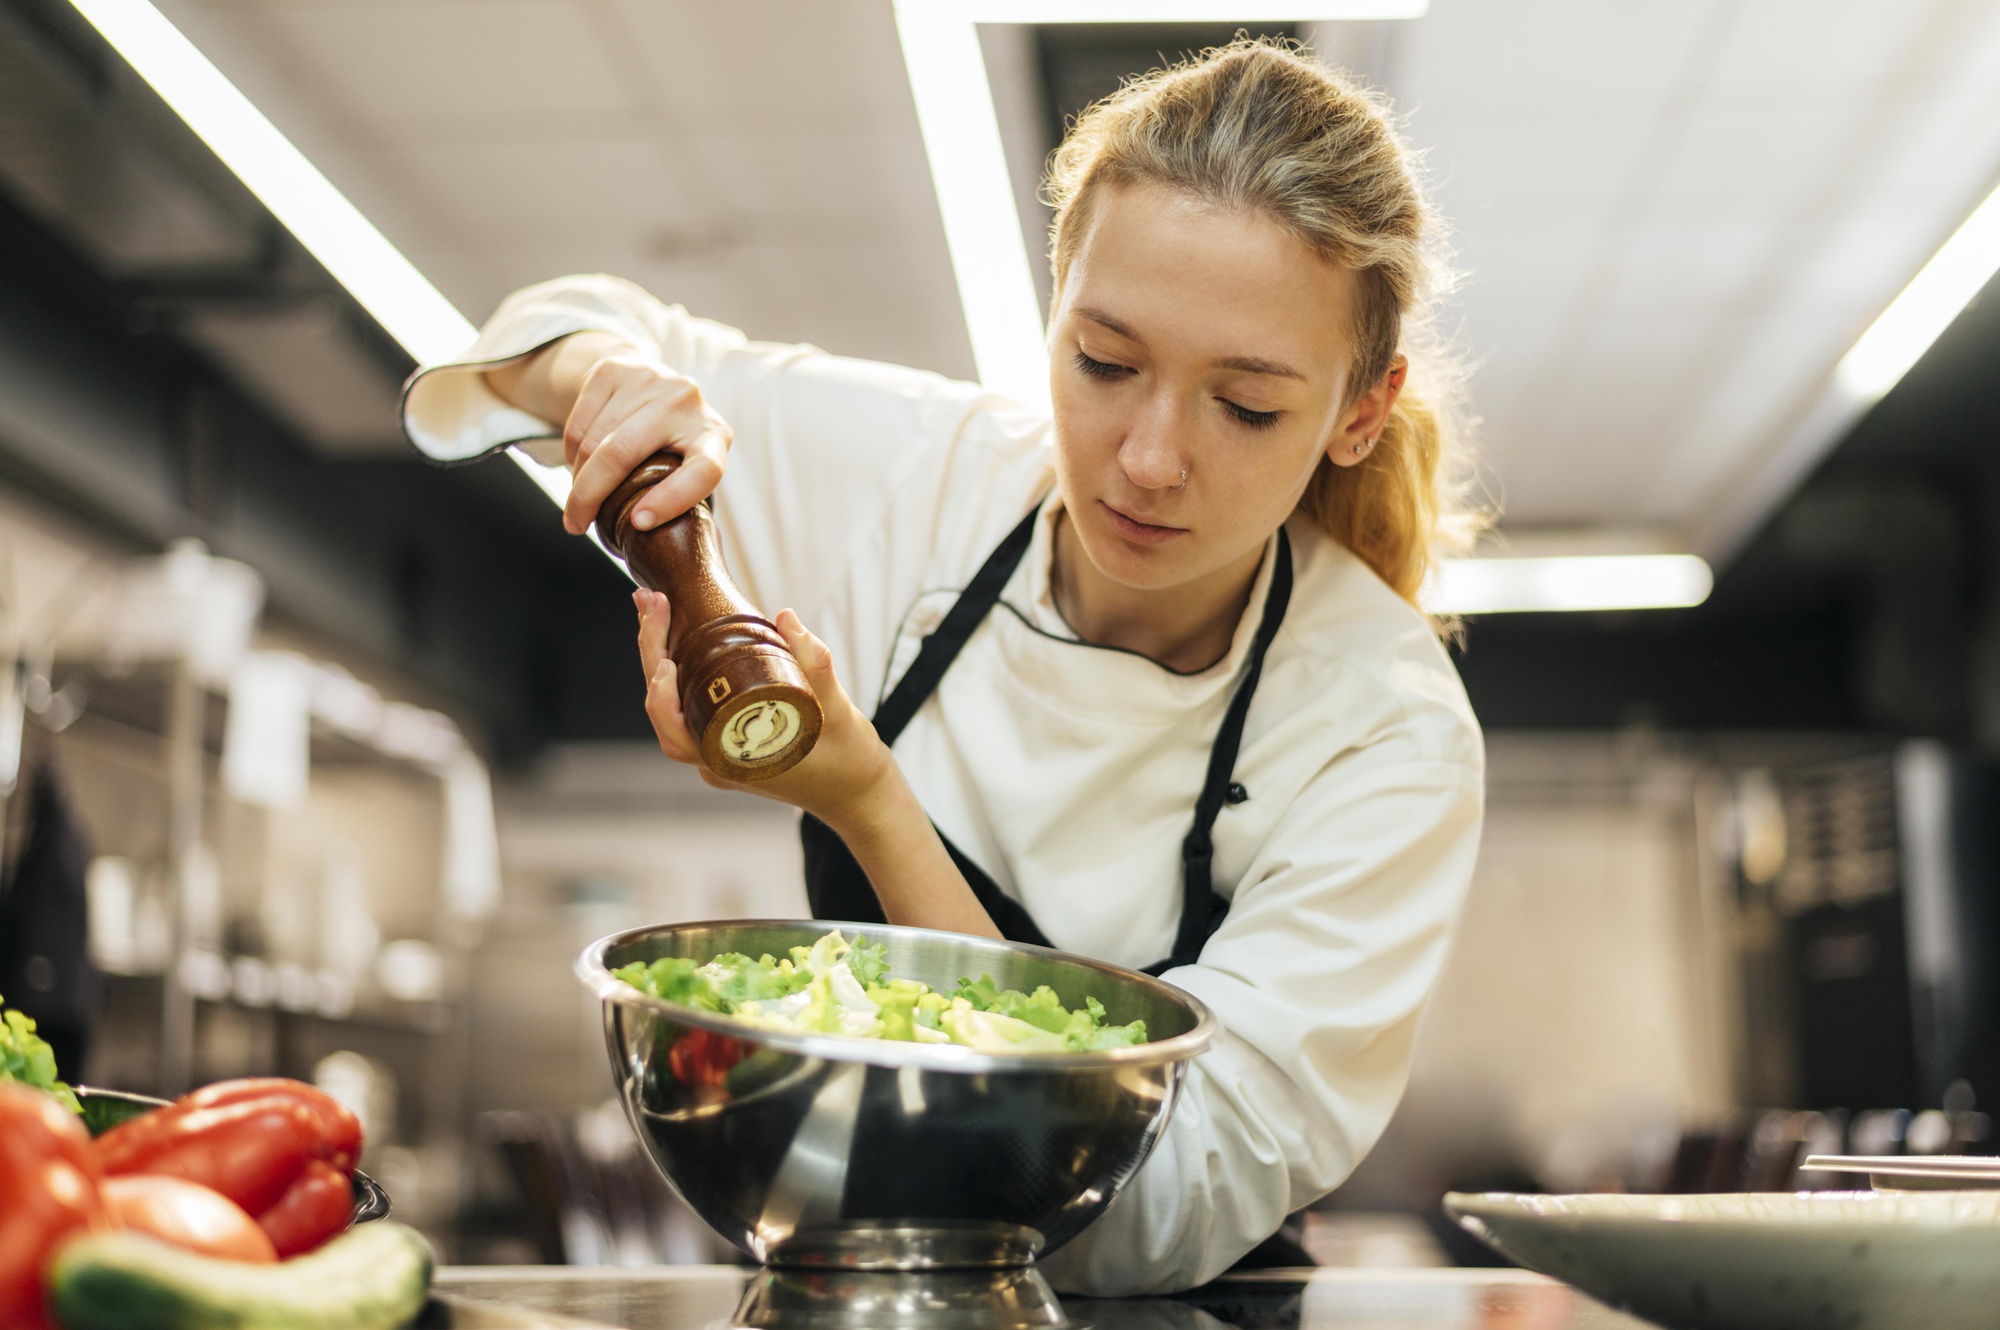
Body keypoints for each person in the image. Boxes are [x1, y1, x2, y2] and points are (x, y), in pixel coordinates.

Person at [402, 40, 1485, 1294]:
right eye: (1103, 360)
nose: (1145, 456)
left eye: (1244, 405)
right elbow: (555, 326)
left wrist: (864, 800)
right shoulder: (917, 479)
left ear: (1359, 408)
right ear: (1055, 309)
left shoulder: (1380, 723)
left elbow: (1157, 1211)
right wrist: (613, 385)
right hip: (838, 1276)